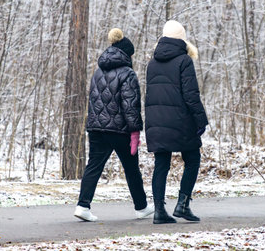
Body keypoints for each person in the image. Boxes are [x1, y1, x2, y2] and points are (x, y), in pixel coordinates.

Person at [74, 28, 154, 222]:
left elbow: (94, 101)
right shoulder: (128, 73)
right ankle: (141, 207)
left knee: (93, 166)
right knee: (131, 168)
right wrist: (135, 131)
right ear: (127, 54)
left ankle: (82, 205)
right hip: (119, 130)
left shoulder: (98, 71)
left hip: (96, 127)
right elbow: (130, 105)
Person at [145, 20, 209, 224]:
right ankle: (182, 204)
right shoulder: (184, 60)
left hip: (156, 121)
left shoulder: (152, 62)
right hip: (181, 121)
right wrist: (201, 120)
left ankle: (158, 211)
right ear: (182, 38)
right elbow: (191, 95)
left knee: (161, 164)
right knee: (192, 160)